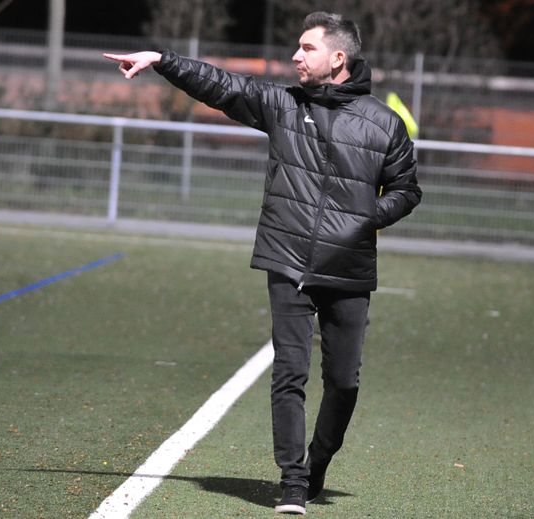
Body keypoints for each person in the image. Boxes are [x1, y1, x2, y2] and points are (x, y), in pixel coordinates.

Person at [105, 11, 421, 515]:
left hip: (349, 267)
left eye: (307, 48)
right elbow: (221, 86)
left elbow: (407, 190)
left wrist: (365, 219)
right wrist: (162, 60)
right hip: (287, 260)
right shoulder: (283, 104)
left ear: (338, 58)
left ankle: (318, 462)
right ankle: (293, 481)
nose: (296, 56)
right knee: (289, 374)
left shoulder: (384, 123)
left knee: (344, 382)